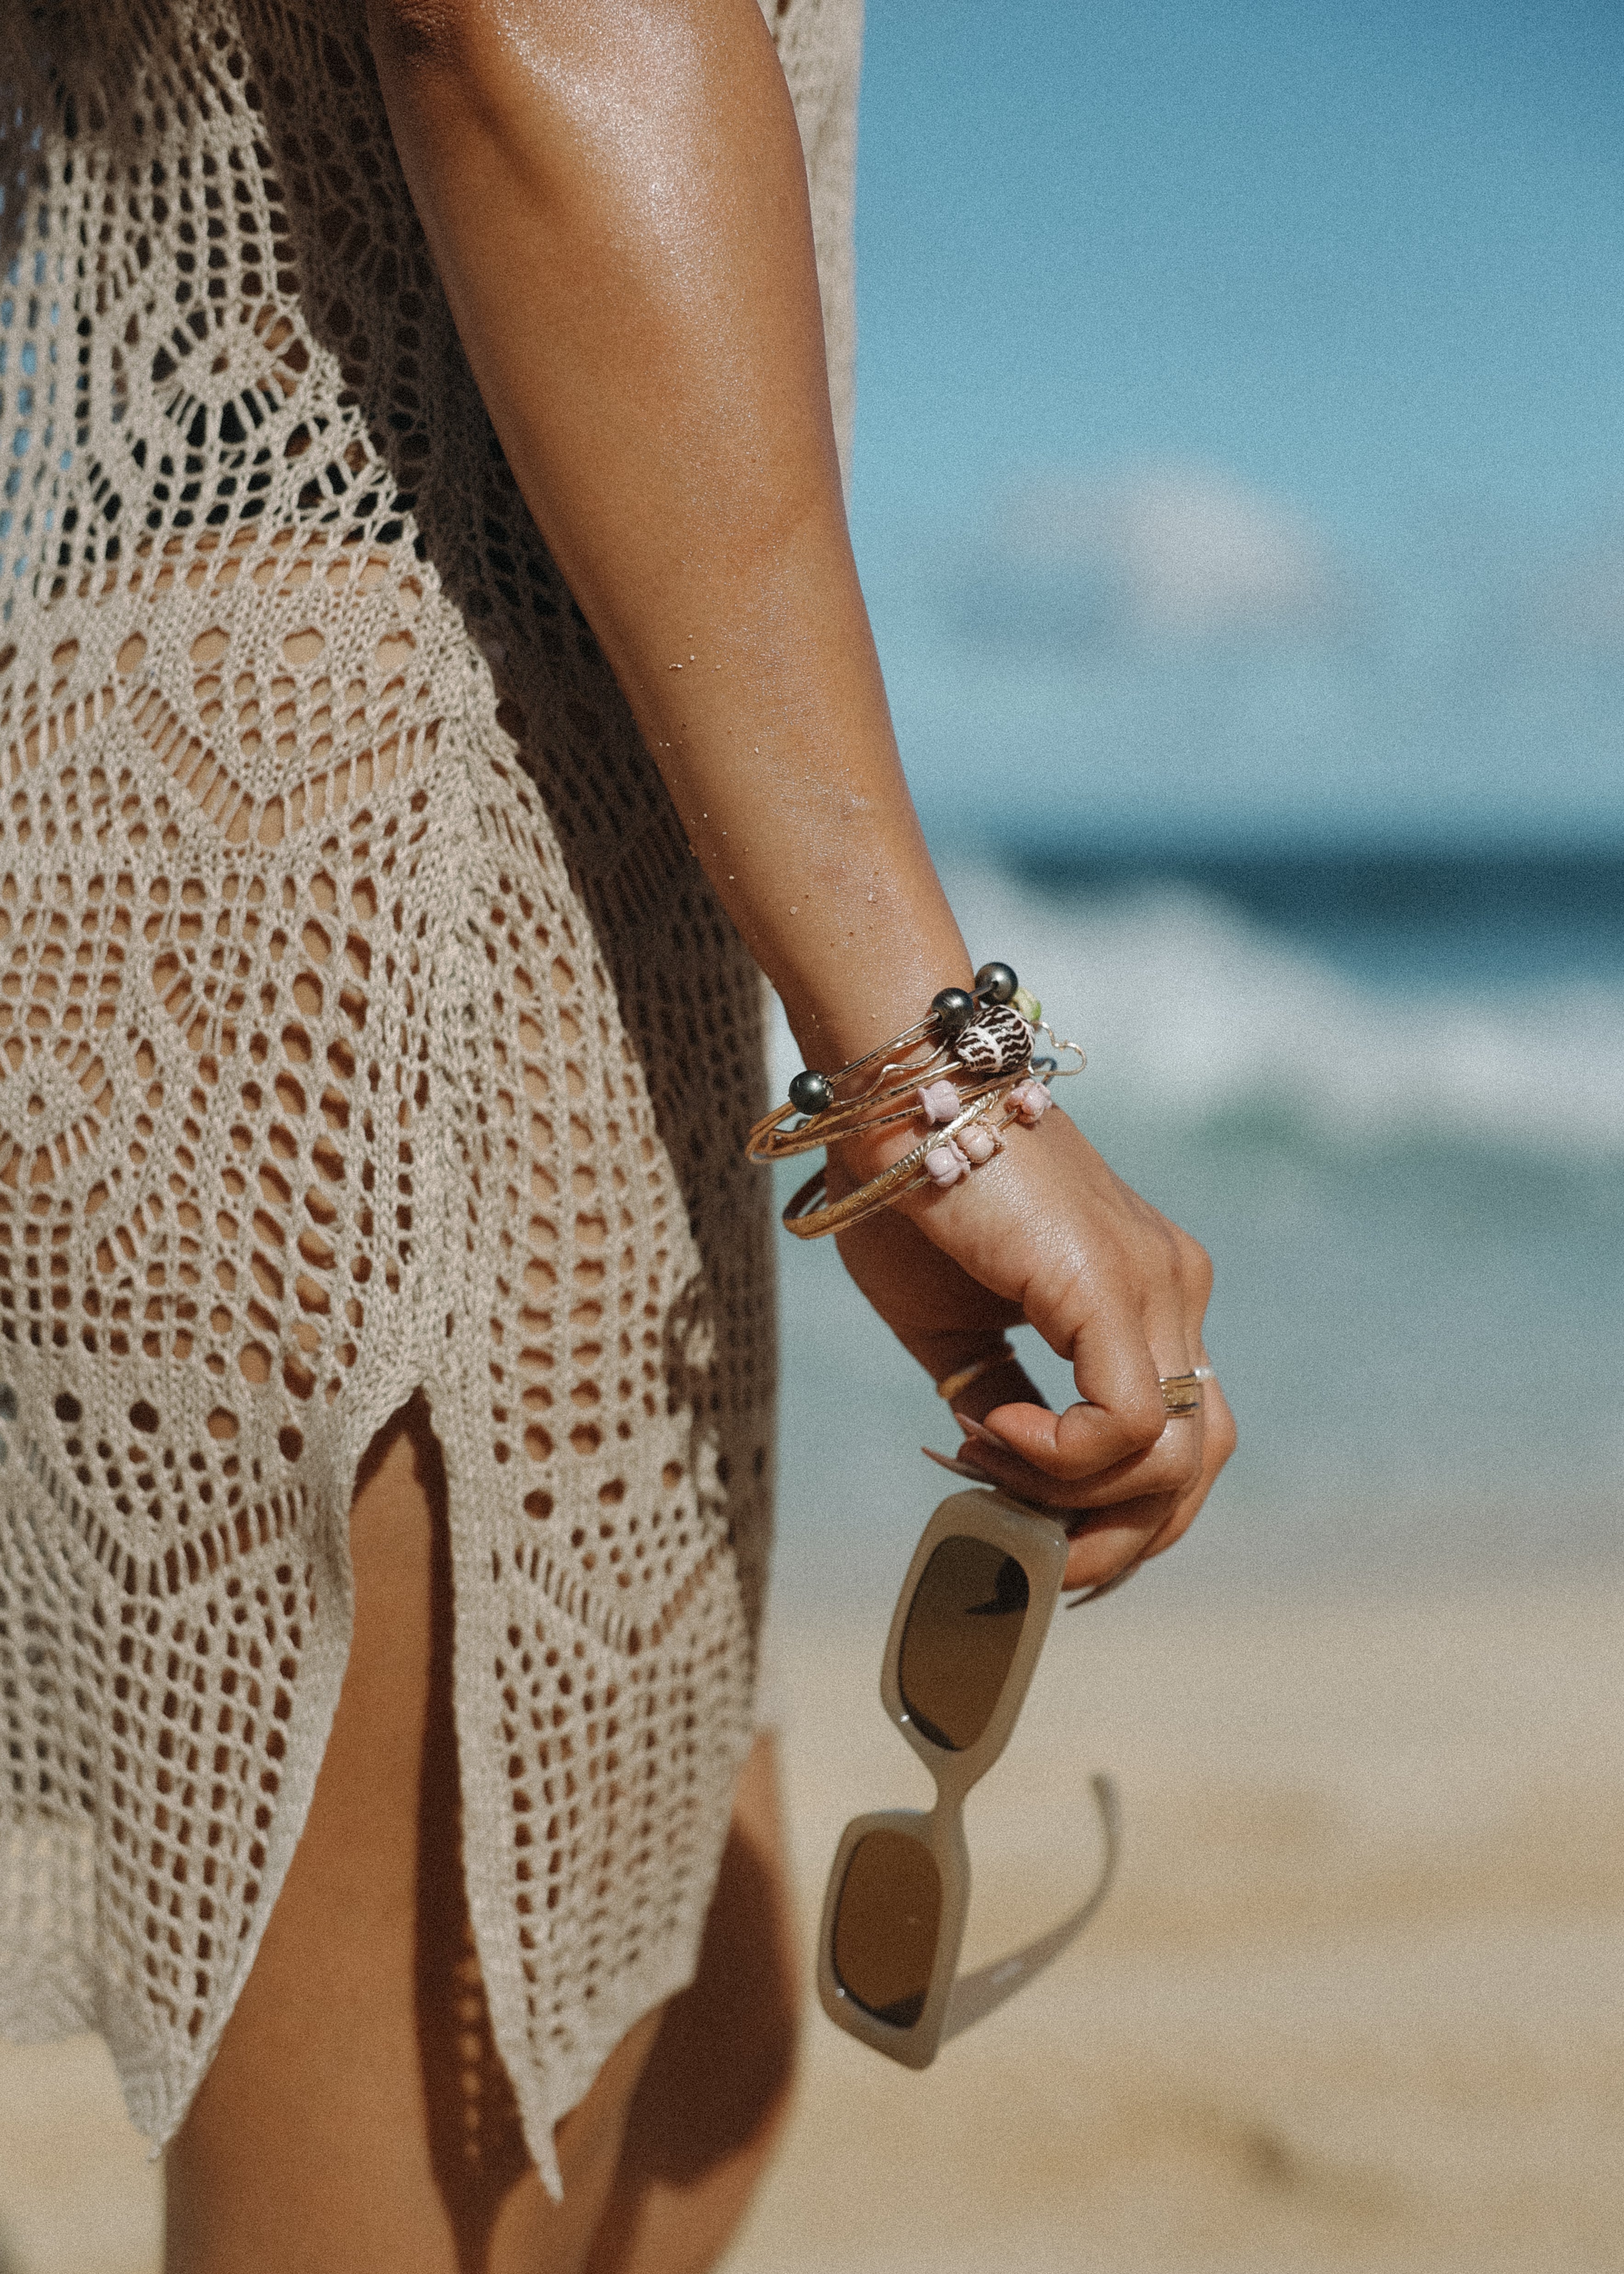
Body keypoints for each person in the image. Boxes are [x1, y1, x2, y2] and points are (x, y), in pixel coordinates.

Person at [0, 0, 1234, 2267]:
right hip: (369, 875)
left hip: (507, 867)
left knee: (676, 2089)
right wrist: (925, 1068)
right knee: (458, 2191)